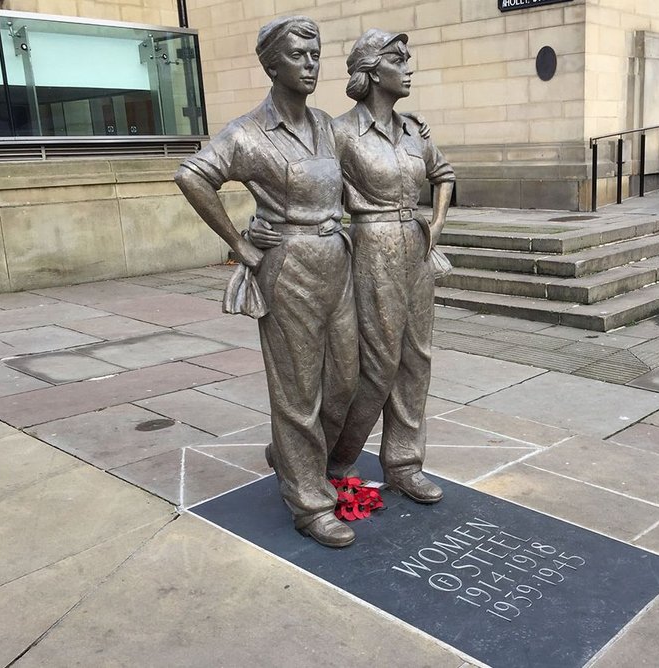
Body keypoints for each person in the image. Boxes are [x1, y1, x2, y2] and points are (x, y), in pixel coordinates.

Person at [174, 16, 359, 548]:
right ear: (272, 64)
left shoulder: (326, 124)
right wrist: (240, 243)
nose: (310, 64)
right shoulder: (248, 133)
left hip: (336, 260)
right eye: (299, 55)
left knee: (344, 381)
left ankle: (288, 455)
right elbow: (193, 175)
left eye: (315, 54)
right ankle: (309, 502)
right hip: (289, 267)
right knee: (297, 390)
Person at [328, 29, 454, 503]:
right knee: (376, 365)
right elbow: (312, 187)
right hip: (370, 247)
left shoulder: (413, 132)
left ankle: (404, 463)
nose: (409, 68)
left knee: (415, 359)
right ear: (373, 70)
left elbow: (443, 175)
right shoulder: (339, 132)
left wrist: (435, 227)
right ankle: (334, 457)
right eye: (399, 60)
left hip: (416, 250)